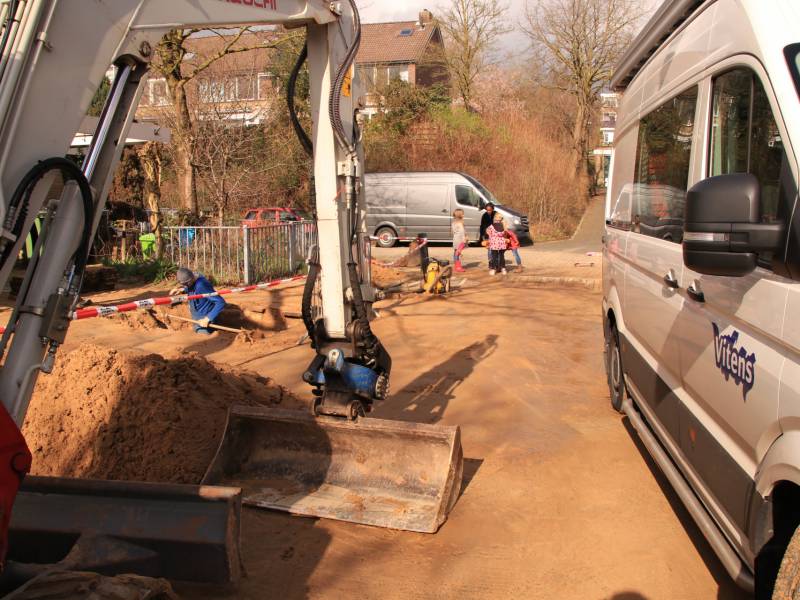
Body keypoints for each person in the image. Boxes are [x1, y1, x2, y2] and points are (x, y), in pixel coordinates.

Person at [169, 267, 226, 334]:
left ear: (189, 281)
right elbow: (193, 289)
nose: (184, 286)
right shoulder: (192, 281)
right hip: (197, 319)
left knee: (202, 339)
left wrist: (208, 319)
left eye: (185, 284)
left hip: (205, 321)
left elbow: (220, 302)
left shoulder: (201, 285)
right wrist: (182, 290)